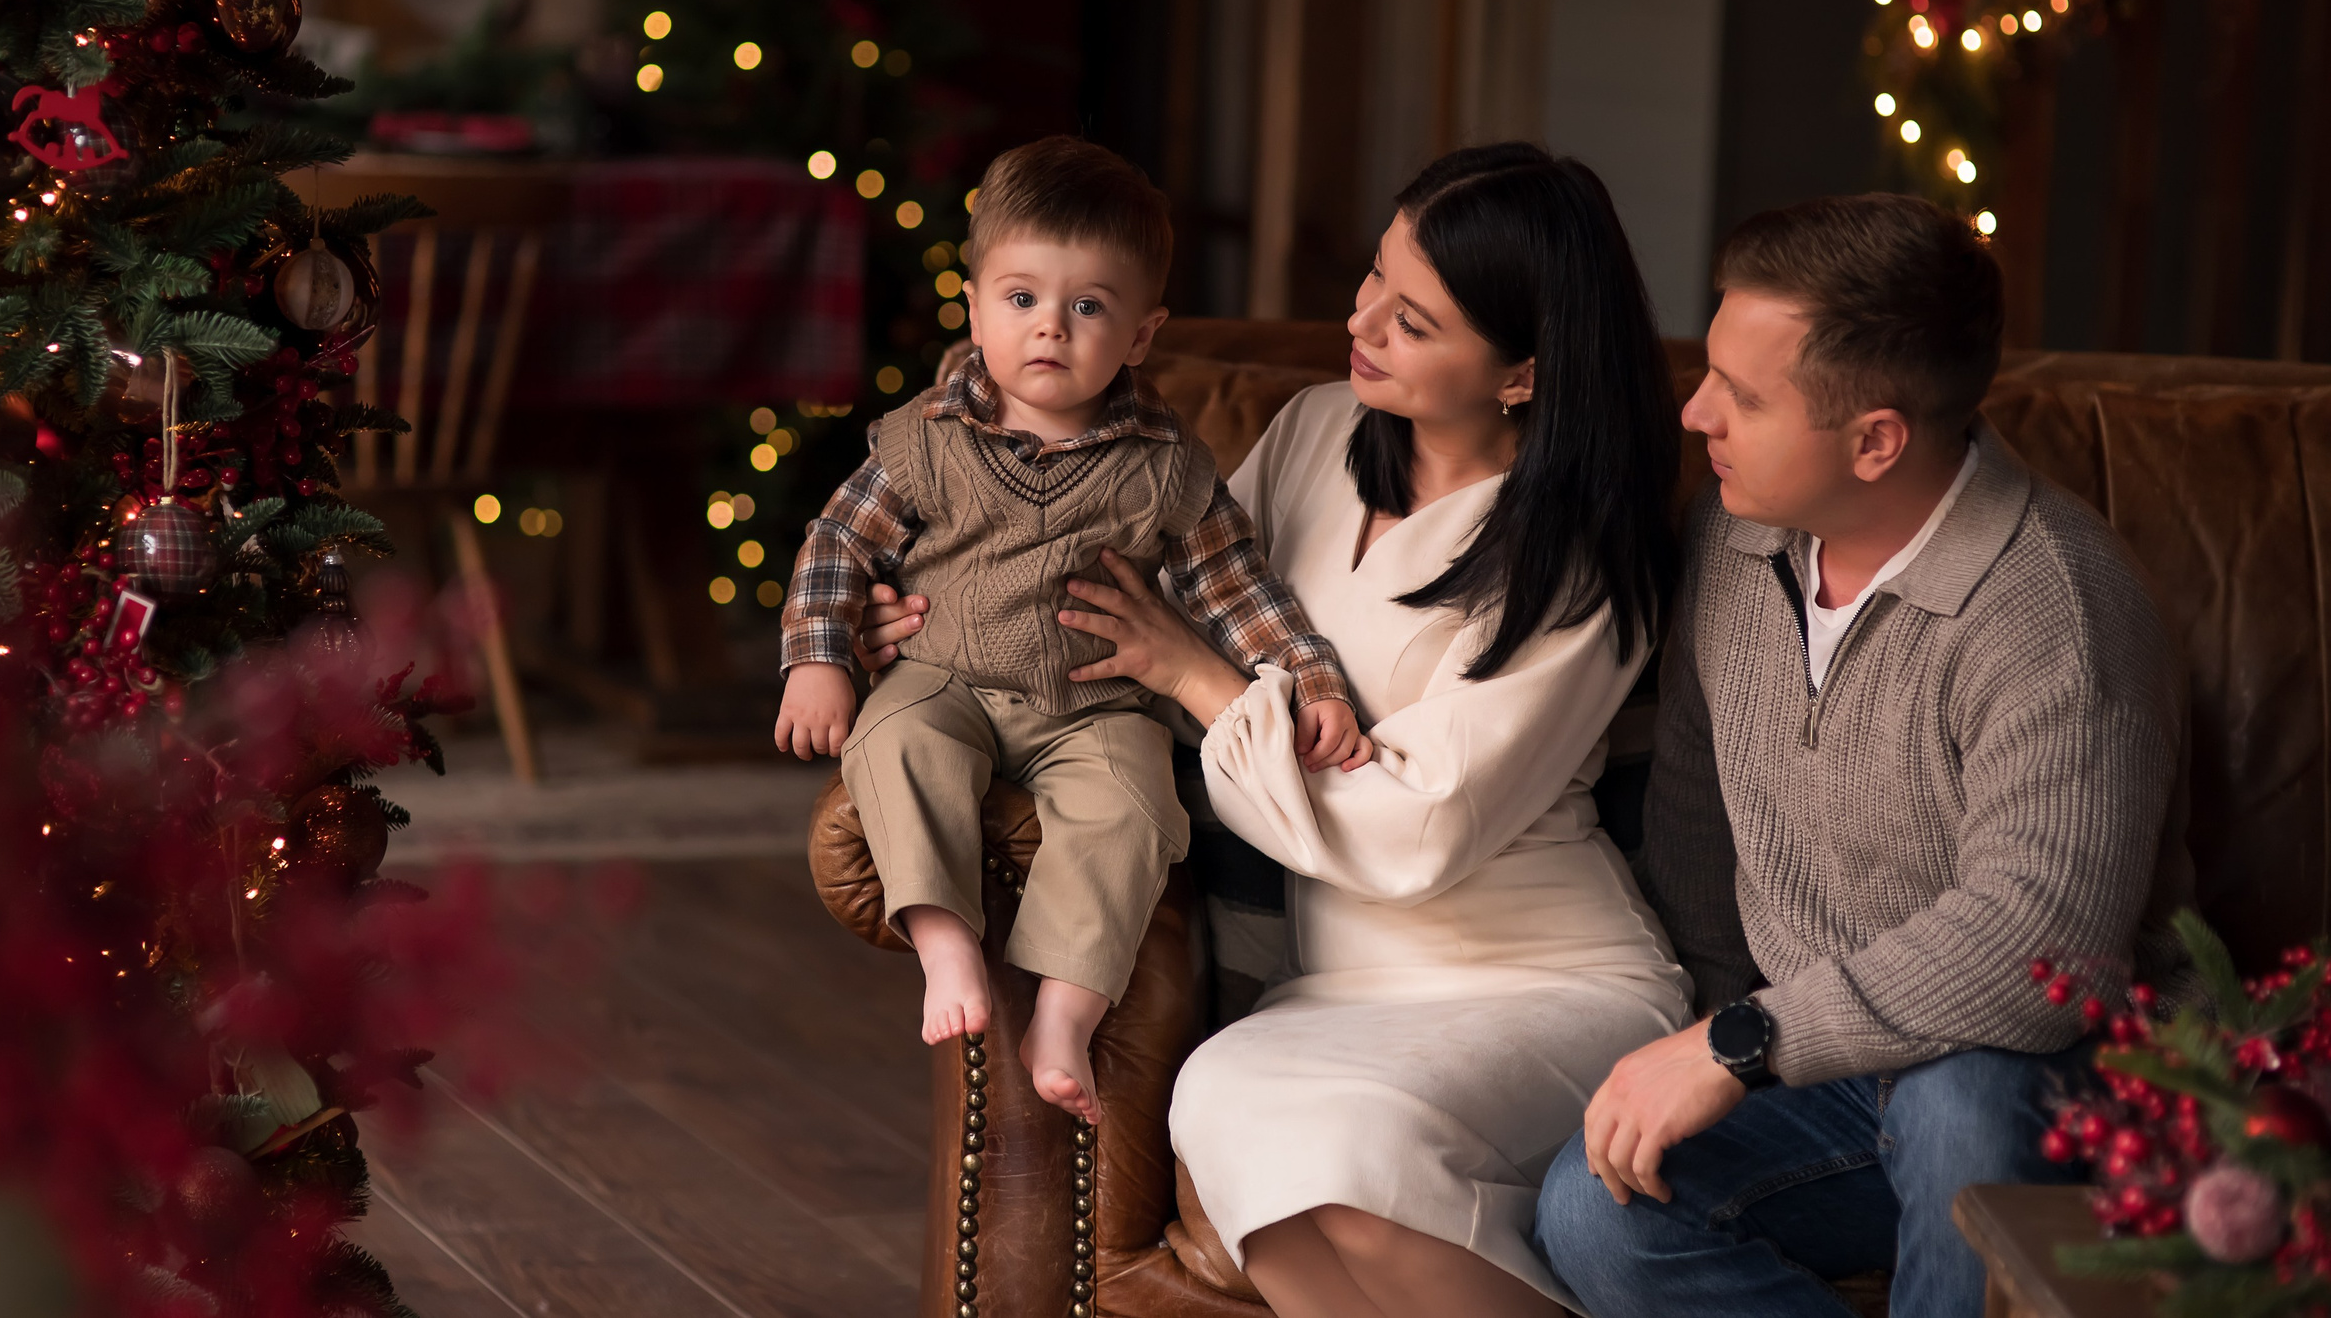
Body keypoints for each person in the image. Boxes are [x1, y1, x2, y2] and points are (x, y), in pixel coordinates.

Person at [861, 143, 1692, 1316]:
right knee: (1232, 1113)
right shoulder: (1311, 433)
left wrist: (1204, 682)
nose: (1359, 322)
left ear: (1520, 372)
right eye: (1372, 279)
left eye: (1412, 319)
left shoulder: (1579, 562)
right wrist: (930, 620)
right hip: (1338, 981)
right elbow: (1108, 607)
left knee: (1344, 1149)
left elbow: (1421, 829)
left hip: (1536, 970)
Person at [1532, 193, 2192, 1318]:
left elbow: (2041, 954)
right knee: (1598, 1210)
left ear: (1875, 439)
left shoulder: (2053, 611)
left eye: (1741, 396)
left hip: (2050, 1077)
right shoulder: (1735, 534)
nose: (1695, 412)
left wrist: (1738, 1042)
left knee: (1958, 1097)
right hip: (1827, 1071)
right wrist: (1692, 1027)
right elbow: (1693, 810)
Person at [774, 136, 1363, 1124]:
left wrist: (1309, 681)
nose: (1049, 327)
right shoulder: (926, 436)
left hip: (1095, 705)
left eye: (1087, 306)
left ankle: (1062, 1013)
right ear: (973, 305)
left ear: (1140, 333)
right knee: (896, 742)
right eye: (1020, 298)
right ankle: (944, 940)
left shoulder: (1165, 467)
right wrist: (818, 657)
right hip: (943, 675)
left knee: (1131, 810)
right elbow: (840, 540)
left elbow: (1236, 587)